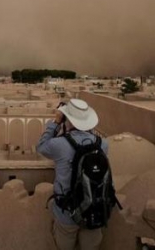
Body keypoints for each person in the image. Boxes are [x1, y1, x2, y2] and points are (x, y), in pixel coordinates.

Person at [36, 99, 109, 250]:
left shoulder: (59, 145)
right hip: (94, 210)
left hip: (67, 213)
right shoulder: (103, 144)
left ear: (67, 119)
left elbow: (41, 146)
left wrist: (56, 122)